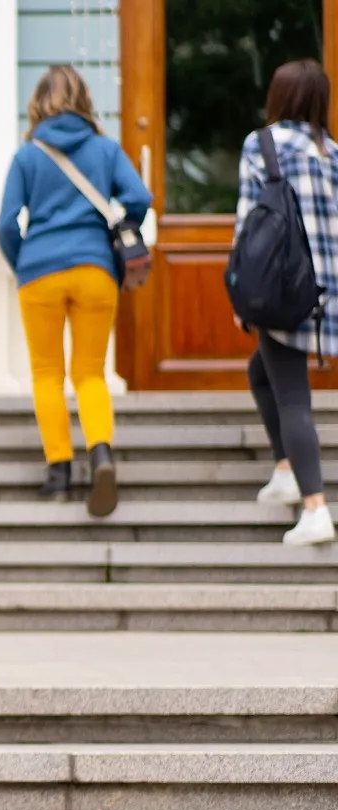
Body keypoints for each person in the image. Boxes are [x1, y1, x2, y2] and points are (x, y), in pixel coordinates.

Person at [0, 65, 151, 515]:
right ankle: (101, 453)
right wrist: (121, 229)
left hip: (39, 272)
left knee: (47, 373)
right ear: (85, 100)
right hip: (95, 270)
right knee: (90, 372)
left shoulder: (28, 155)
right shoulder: (104, 148)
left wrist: (23, 260)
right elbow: (139, 196)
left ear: (39, 103)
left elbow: (6, 222)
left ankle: (59, 473)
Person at [236, 59, 335, 546]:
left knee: (293, 396)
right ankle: (285, 470)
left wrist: (243, 297)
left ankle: (315, 507)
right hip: (328, 293)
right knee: (262, 373)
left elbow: (247, 227)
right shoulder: (333, 153)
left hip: (284, 291)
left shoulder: (263, 145)